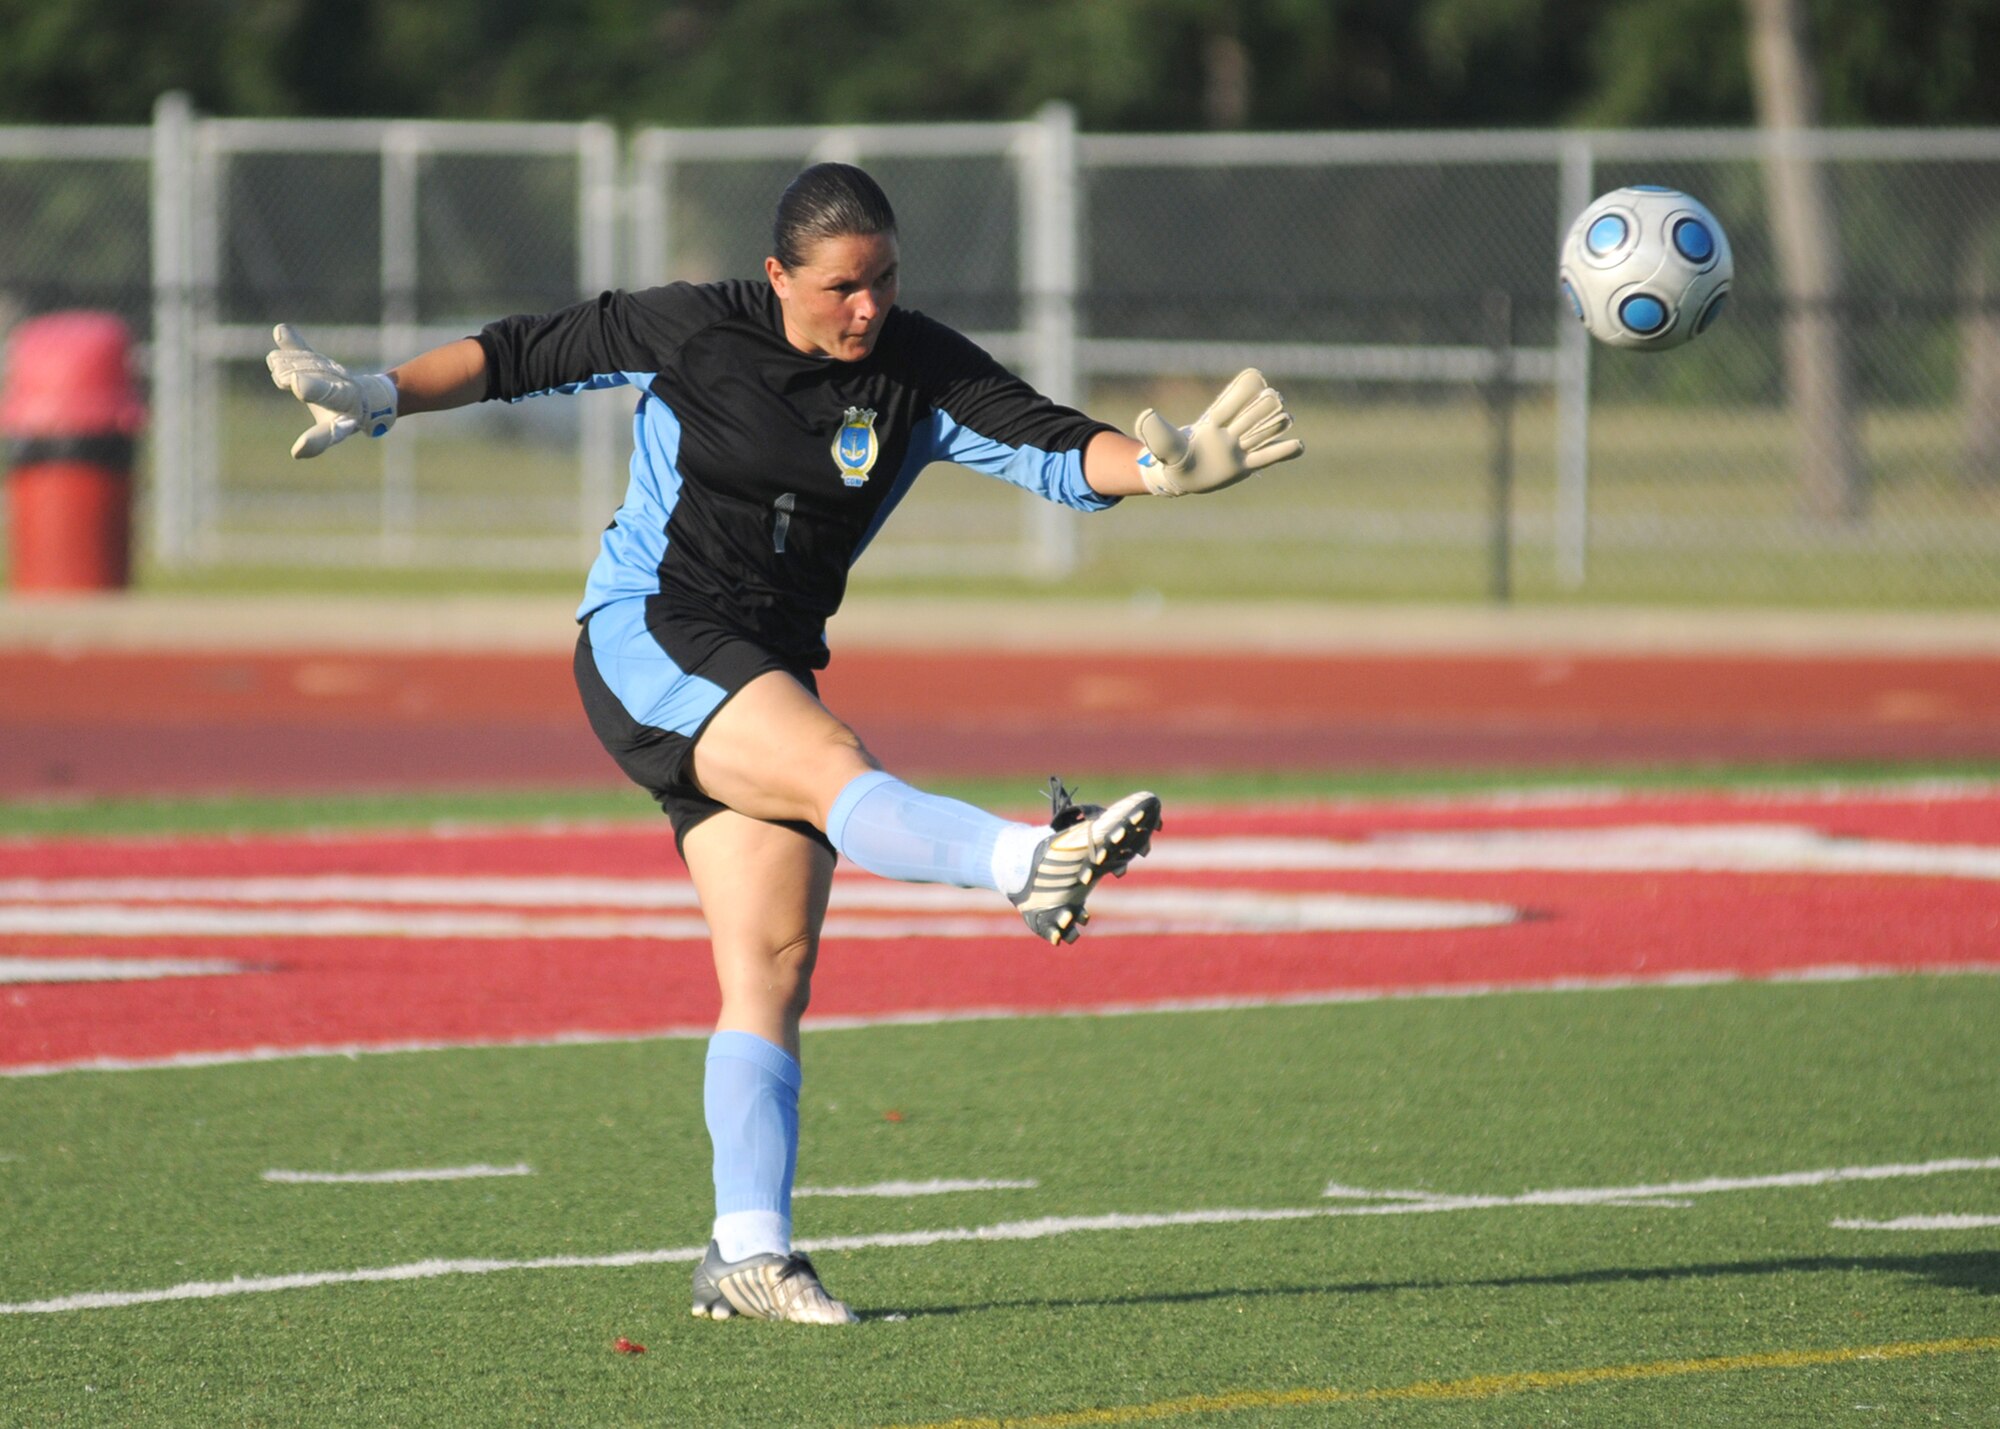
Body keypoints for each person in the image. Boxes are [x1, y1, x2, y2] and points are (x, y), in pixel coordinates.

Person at [267, 162, 1302, 1325]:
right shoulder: (700, 328)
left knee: (771, 968)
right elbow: (520, 354)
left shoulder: (918, 368)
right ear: (777, 279)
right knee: (830, 764)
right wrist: (376, 393)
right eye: (843, 286)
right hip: (650, 633)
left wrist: (1161, 469)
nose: (868, 307)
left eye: (886, 279)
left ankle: (744, 1252)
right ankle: (1026, 863)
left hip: (764, 667)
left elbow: (1059, 448)